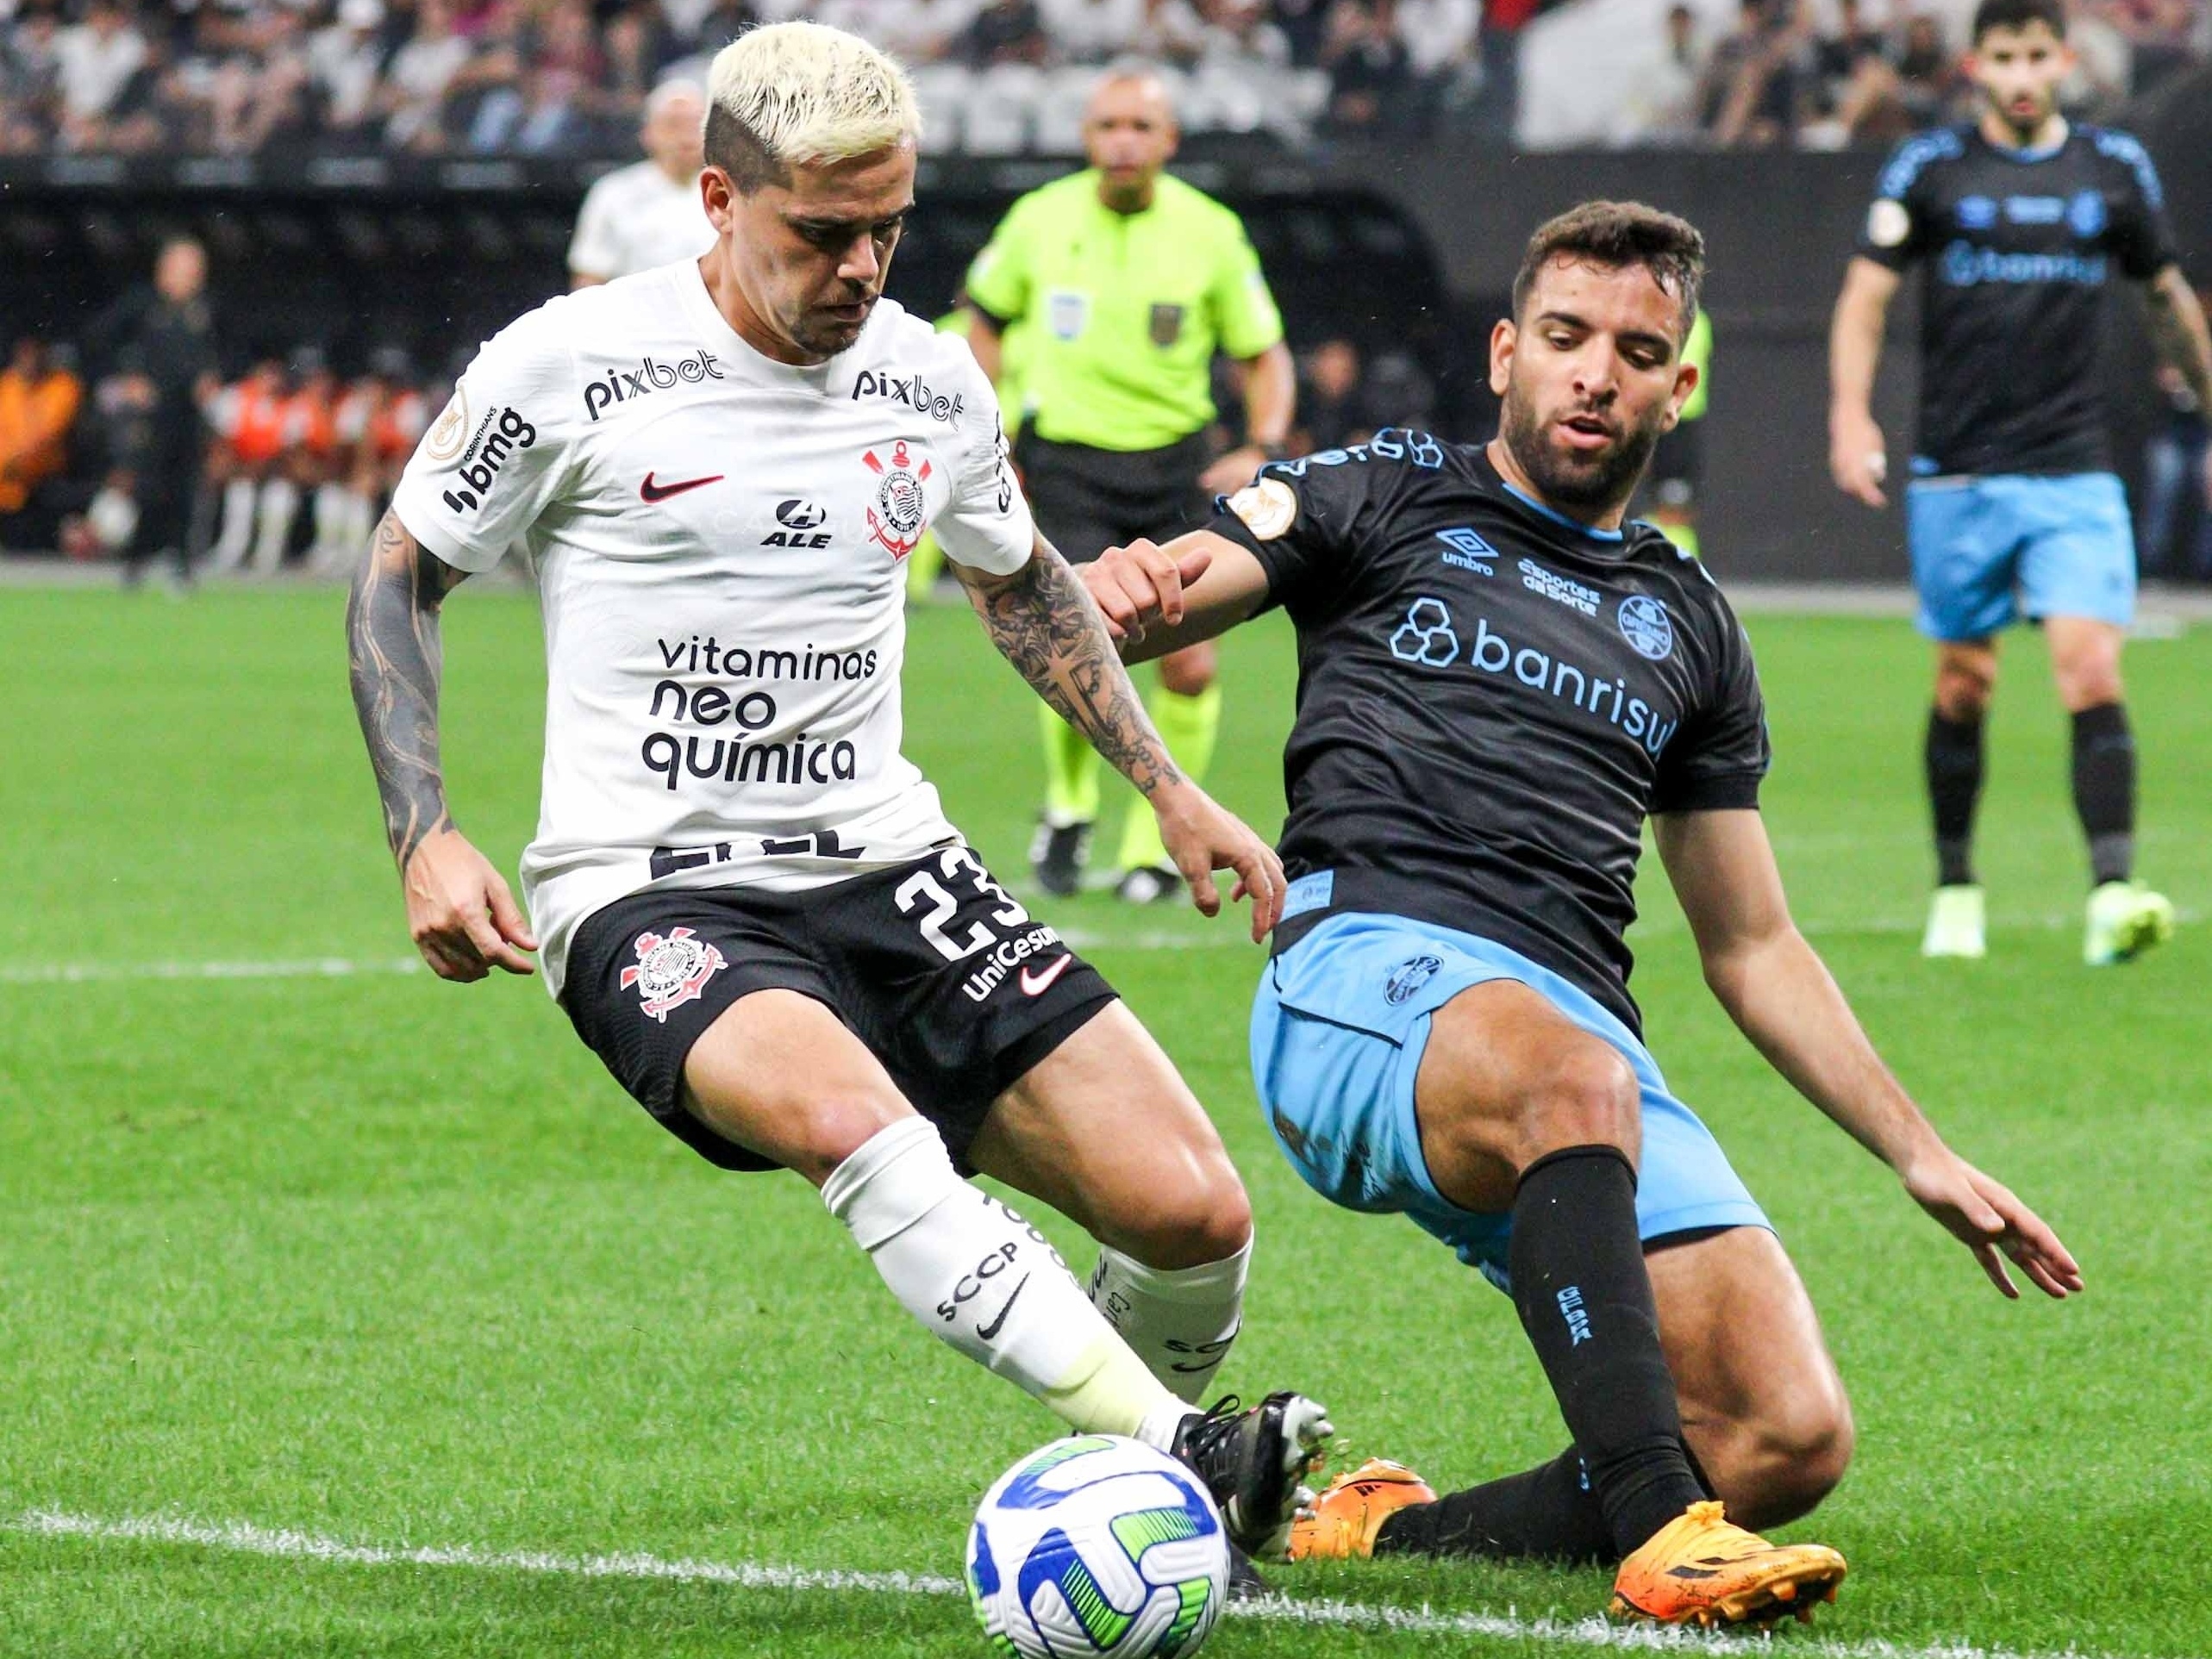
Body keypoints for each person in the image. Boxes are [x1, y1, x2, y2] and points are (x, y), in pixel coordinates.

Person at [347, 21, 1329, 1569]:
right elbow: (402, 574)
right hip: (647, 883)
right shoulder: (569, 363)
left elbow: (1026, 590)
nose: (865, 266)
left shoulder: (931, 380)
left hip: (887, 856)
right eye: (824, 232)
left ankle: (1145, 1483)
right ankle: (1183, 1458)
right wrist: (425, 831)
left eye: (889, 227)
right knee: (860, 1126)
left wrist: (1170, 790)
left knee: (1195, 1216)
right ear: (719, 201)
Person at [1077, 201, 2084, 1627]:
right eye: (1563, 338)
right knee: (1574, 1077)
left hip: (1572, 1054)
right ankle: (1661, 1532)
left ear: (1682, 384)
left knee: (1783, 1436)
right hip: (1361, 977)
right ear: (1503, 353)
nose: (1594, 373)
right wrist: (1127, 591)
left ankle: (1373, 1544)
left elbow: (1750, 942)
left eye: (1636, 349)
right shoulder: (1382, 490)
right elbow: (1179, 593)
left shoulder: (1692, 624)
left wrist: (1917, 1151)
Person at [1827, 0, 2212, 965]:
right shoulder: (1930, 169)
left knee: (2090, 666)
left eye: (2038, 54)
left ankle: (2112, 892)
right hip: (1957, 470)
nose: (2023, 74)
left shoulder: (2112, 169)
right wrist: (1848, 413)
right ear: (1976, 68)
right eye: (2005, 57)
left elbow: (2165, 299)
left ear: (2065, 59)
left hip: (2072, 466)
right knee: (1965, 680)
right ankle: (1956, 888)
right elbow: (1864, 297)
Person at [962, 65, 1295, 904]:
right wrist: (988, 433)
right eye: (1108, 125)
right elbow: (985, 320)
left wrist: (1257, 442)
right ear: (1086, 135)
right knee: (1077, 639)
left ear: (1168, 141)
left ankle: (1151, 846)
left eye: (1140, 128)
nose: (1122, 142)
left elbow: (1264, 353)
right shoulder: (1038, 220)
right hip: (1069, 462)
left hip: (1175, 465)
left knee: (1187, 666)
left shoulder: (1211, 232)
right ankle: (1071, 807)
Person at [93, 236, 217, 587]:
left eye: (195, 271)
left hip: (189, 414)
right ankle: (136, 560)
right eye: (182, 269)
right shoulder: (142, 305)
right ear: (163, 271)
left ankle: (180, 562)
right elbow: (98, 339)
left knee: (186, 489)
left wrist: (214, 378)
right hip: (149, 416)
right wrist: (126, 377)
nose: (190, 277)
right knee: (148, 487)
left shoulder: (207, 309)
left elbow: (233, 353)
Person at [567, 79, 714, 288]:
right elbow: (590, 273)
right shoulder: (613, 193)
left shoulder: (728, 196)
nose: (686, 138)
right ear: (648, 133)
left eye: (695, 126)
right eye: (674, 125)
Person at [0, 337, 84, 551]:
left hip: (45, 478)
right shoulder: (7, 385)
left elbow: (47, 434)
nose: (30, 361)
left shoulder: (62, 385)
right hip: (8, 479)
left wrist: (13, 460)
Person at [1639, 304, 1709, 556]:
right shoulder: (1695, 320)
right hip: (1666, 418)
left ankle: (1676, 560)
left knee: (1674, 503)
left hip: (1679, 421)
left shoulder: (1685, 321)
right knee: (1665, 500)